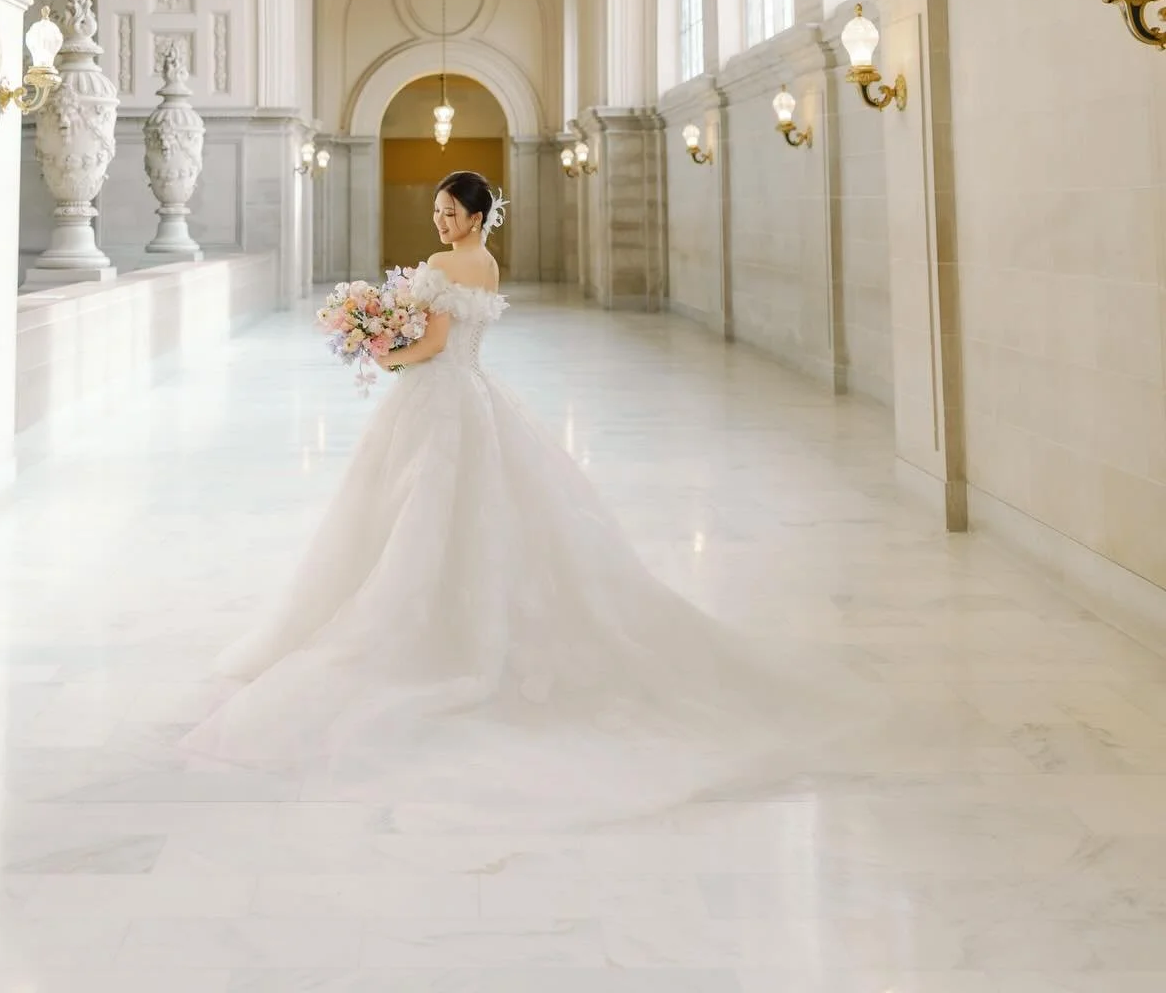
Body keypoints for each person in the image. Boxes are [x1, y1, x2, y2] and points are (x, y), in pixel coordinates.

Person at [181, 169, 862, 818]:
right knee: (468, 513)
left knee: (414, 512)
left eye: (452, 212)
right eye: (438, 212)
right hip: (475, 395)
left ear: (477, 215)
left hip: (436, 398)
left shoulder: (441, 267)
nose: (442, 221)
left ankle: (429, 625)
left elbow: (432, 342)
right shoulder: (489, 266)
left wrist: (384, 352)